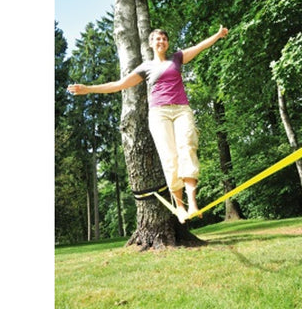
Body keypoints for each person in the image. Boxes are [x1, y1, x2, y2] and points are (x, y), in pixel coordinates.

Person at [67, 25, 229, 223]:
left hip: (181, 109)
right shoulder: (145, 67)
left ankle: (193, 203)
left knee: (187, 147)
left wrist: (218, 35)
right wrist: (88, 89)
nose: (161, 41)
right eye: (157, 39)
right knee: (169, 157)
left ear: (167, 43)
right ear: (151, 43)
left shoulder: (177, 58)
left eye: (164, 38)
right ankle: (180, 207)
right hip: (158, 113)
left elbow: (200, 46)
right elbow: (119, 85)